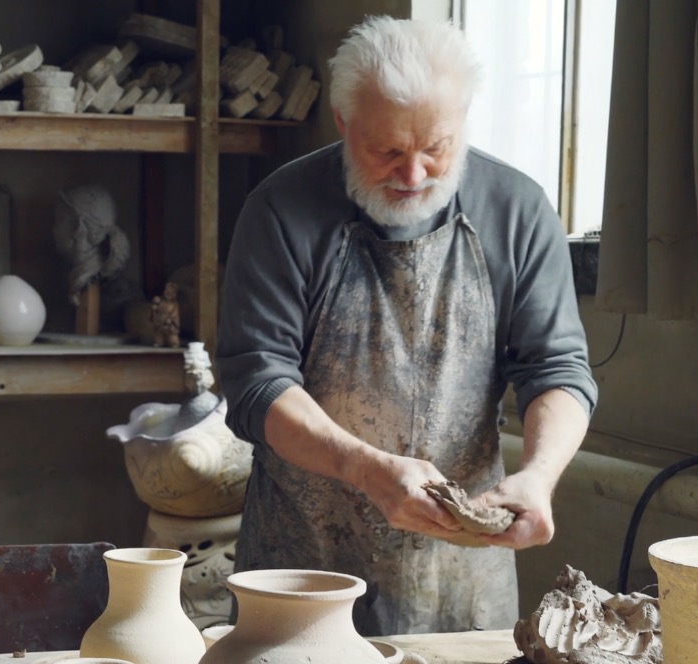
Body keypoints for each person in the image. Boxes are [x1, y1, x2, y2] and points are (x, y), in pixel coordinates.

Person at [216, 16, 597, 637]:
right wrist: (367, 467)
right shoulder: (280, 211)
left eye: (436, 147)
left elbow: (556, 367)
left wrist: (539, 475)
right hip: (303, 570)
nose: (414, 174)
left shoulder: (519, 210)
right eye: (387, 150)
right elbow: (257, 382)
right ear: (344, 123)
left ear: (465, 117)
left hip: (463, 577)